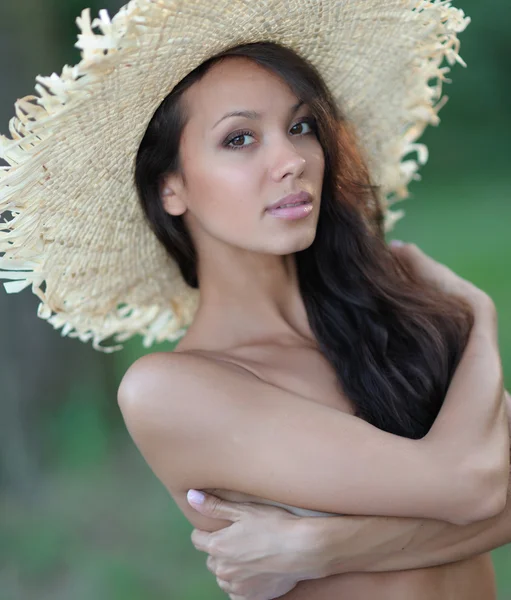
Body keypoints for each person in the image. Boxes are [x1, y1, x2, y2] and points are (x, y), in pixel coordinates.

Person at [0, 2, 508, 599]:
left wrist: (321, 547)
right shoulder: (172, 390)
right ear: (172, 187)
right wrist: (481, 316)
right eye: (239, 138)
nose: (291, 160)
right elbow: (471, 488)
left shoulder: (387, 304)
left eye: (300, 127)